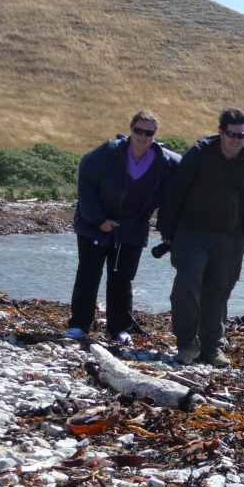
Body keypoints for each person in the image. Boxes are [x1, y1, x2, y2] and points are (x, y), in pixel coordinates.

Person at [157, 107, 244, 366]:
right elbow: (175, 192)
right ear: (220, 132)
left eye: (241, 136)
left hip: (229, 238)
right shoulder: (199, 153)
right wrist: (168, 232)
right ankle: (186, 343)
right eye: (231, 134)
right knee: (187, 284)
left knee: (218, 291)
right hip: (191, 233)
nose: (235, 140)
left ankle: (212, 348)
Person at [66, 110, 180, 344]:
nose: (143, 136)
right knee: (88, 275)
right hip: (94, 226)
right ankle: (79, 325)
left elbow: (188, 173)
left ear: (155, 135)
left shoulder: (165, 161)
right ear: (131, 129)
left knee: (122, 279)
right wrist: (99, 220)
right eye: (139, 131)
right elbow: (85, 182)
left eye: (149, 132)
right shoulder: (108, 152)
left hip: (132, 229)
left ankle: (118, 329)